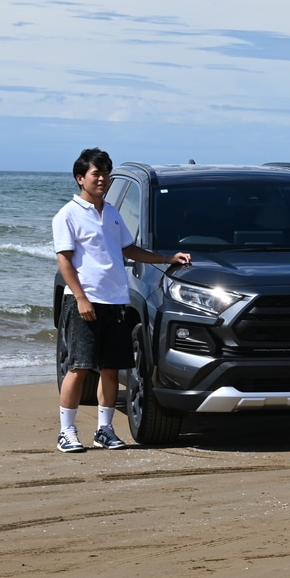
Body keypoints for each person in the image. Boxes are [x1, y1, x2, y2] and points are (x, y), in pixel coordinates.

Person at [52, 148, 191, 453]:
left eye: (106, 173)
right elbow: (64, 261)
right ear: (80, 178)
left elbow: (129, 250)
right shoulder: (68, 215)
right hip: (84, 301)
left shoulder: (112, 213)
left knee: (111, 368)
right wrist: (80, 298)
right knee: (79, 367)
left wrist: (168, 258)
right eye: (96, 174)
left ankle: (104, 430)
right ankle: (67, 432)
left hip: (115, 300)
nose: (102, 179)